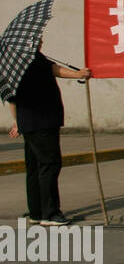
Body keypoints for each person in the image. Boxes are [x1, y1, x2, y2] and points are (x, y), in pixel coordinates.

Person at [6, 44, 91, 226]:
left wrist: (18, 121)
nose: (40, 42)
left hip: (28, 123)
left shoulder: (12, 66)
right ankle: (50, 214)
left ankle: (36, 212)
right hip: (43, 121)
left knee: (34, 168)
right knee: (49, 165)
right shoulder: (33, 59)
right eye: (38, 39)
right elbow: (55, 70)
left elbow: (11, 99)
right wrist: (78, 74)